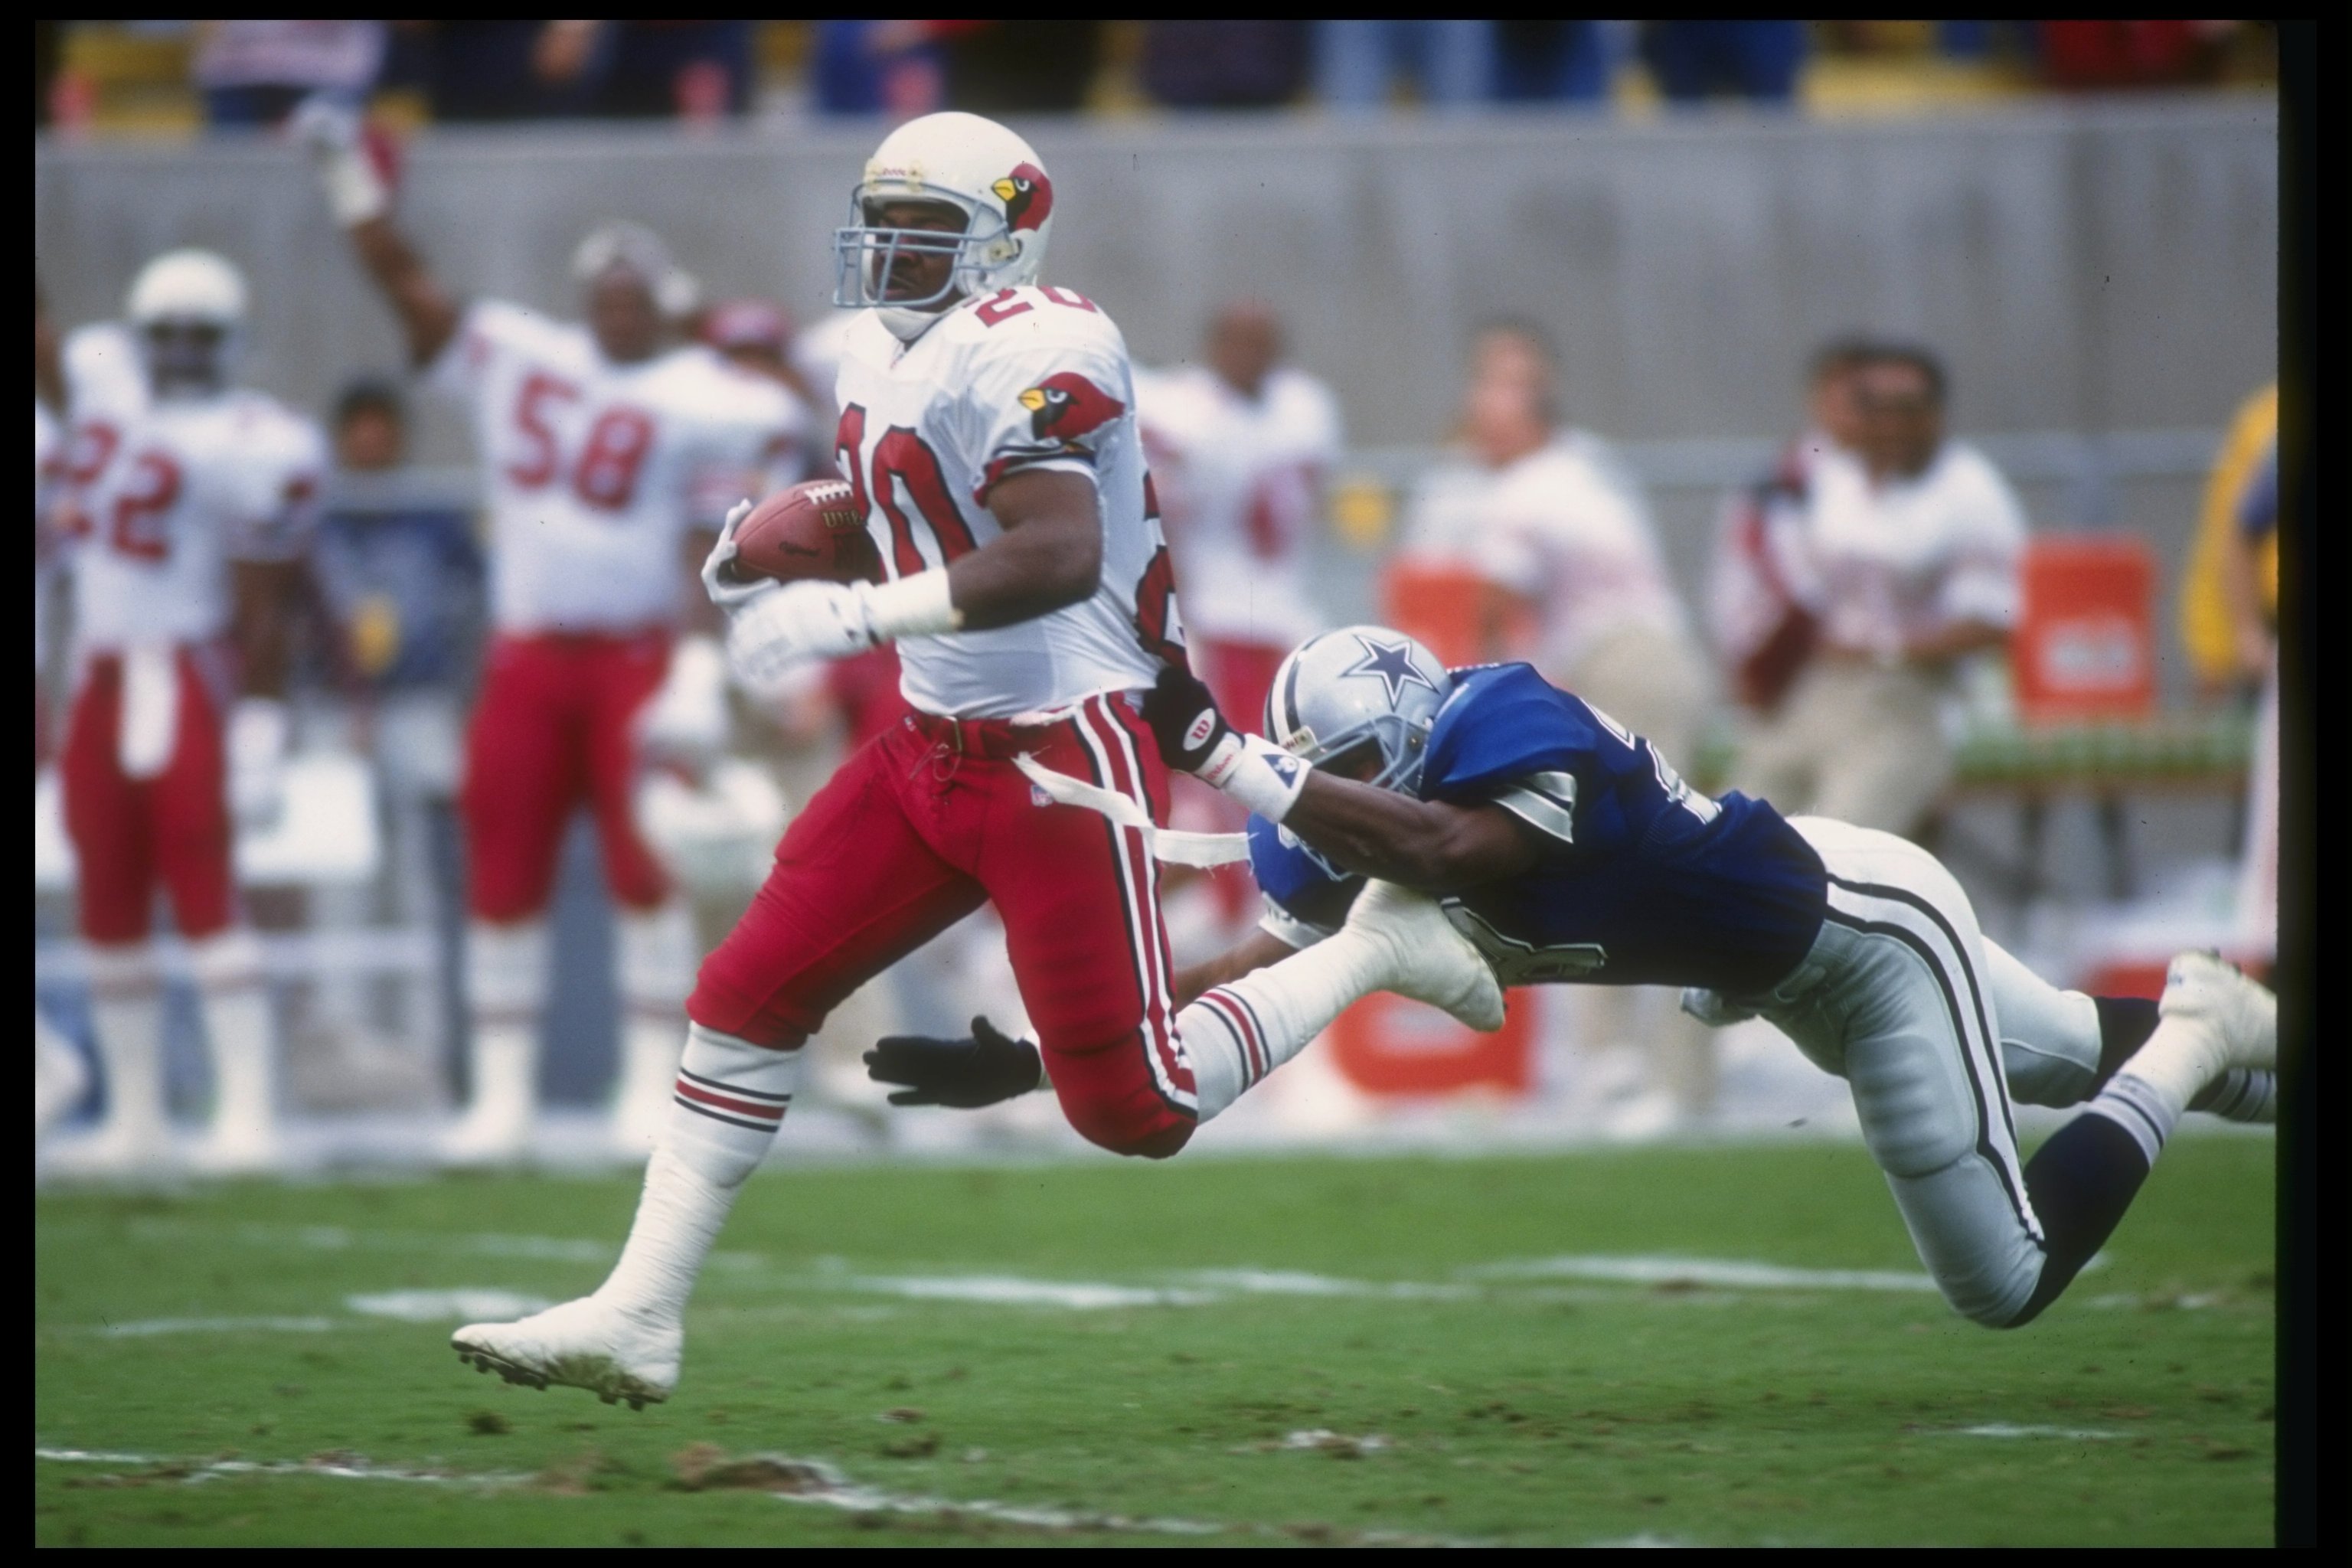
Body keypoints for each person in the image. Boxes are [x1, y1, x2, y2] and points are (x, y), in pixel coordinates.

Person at [439, 111, 1490, 1406]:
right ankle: (638, 1310)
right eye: (880, 223)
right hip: (930, 746)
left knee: (1135, 1108)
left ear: (1004, 240)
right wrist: (779, 535)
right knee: (745, 987)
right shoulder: (875, 351)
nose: (889, 252)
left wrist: (858, 610)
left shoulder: (1048, 342)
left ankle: (1383, 945)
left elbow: (1051, 550)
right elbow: (897, 506)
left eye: (925, 229)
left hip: (1066, 752)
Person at [884, 627, 2279, 1331]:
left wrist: (1250, 770)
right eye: (1322, 783)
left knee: (2004, 1278)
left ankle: (2199, 1033)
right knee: (2045, 1053)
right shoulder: (1366, 821)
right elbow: (1260, 955)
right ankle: (2243, 1049)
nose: (1333, 809)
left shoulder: (1505, 729)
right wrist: (1052, 1051)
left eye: (1352, 775)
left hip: (1861, 937)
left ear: (1418, 736)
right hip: (1793, 949)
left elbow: (1442, 838)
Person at [297, 100, 807, 1161]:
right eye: (606, 296)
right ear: (585, 303)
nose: (620, 312)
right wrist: (355, 191)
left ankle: (643, 1089)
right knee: (504, 865)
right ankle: (501, 1098)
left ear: (665, 306)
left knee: (650, 864)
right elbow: (409, 286)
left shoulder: (705, 392)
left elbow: (710, 531)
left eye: (639, 297)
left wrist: (695, 665)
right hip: (527, 654)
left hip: (631, 657)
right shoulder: (517, 352)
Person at [47, 250, 327, 1173]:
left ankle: (244, 1113)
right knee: (108, 889)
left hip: (187, 666)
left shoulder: (255, 436)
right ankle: (136, 1119)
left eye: (197, 335)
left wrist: (258, 721)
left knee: (204, 883)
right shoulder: (97, 382)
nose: (177, 352)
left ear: (232, 341)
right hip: (99, 667)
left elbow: (267, 601)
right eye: (162, 333)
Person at [1409, 321, 1713, 1124]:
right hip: (1652, 661)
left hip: (1622, 668)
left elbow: (1493, 612)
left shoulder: (1520, 490)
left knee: (1634, 856)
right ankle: (1622, 1056)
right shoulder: (1583, 470)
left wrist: (1470, 711)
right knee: (1631, 851)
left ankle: (1655, 1071)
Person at [1733, 345, 2027, 839]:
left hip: (1917, 695)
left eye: (1906, 409)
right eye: (1875, 408)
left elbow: (1993, 622)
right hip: (1822, 686)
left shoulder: (1968, 488)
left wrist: (1883, 647)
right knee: (1733, 820)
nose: (1890, 424)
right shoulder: (1837, 480)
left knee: (1831, 844)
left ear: (1935, 414)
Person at [1708, 337, 1873, 717]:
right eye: (1843, 395)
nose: (1854, 410)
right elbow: (1750, 581)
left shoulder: (1907, 482)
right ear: (1818, 398)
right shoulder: (1783, 481)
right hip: (1793, 670)